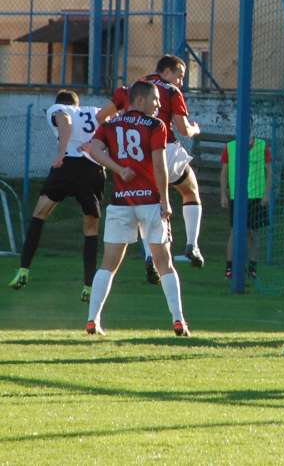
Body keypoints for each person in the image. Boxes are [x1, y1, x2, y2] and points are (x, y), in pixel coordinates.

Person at [84, 81, 190, 337]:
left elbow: (94, 149)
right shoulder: (156, 125)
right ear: (140, 100)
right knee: (164, 263)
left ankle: (92, 320)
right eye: (155, 100)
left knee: (108, 264)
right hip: (150, 203)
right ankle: (178, 320)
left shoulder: (110, 125)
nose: (158, 105)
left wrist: (118, 169)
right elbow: (159, 165)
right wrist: (165, 200)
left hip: (121, 202)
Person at [101, 55, 204, 283]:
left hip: (132, 155)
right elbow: (182, 128)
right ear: (167, 72)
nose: (181, 82)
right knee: (190, 190)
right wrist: (194, 129)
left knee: (147, 205)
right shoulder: (169, 91)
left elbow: (103, 116)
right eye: (180, 76)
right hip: (162, 147)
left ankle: (150, 256)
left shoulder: (134, 88)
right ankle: (192, 245)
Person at [8, 89, 108, 303]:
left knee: (39, 214)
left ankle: (24, 270)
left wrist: (61, 152)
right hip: (93, 170)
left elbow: (65, 122)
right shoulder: (94, 111)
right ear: (78, 103)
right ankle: (88, 287)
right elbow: (113, 123)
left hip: (68, 165)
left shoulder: (59, 108)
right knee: (91, 228)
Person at [220, 133, 272, 280]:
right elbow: (224, 173)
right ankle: (229, 269)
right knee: (234, 231)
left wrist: (267, 194)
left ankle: (252, 268)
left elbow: (269, 173)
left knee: (252, 234)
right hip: (237, 197)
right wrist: (223, 194)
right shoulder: (230, 147)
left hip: (256, 196)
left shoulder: (262, 146)